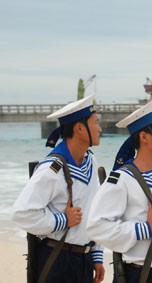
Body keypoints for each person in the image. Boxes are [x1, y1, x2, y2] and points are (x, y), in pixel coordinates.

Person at [86, 96, 152, 283]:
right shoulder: (122, 179)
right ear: (144, 136)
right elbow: (97, 227)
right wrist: (145, 228)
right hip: (141, 276)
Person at [11, 94, 105, 283]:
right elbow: (21, 213)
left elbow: (93, 209)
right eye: (95, 122)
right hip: (57, 259)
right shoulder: (52, 169)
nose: (100, 128)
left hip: (83, 259)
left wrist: (96, 253)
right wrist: (63, 220)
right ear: (79, 128)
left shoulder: (90, 161)